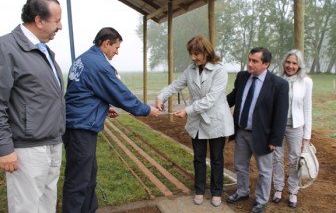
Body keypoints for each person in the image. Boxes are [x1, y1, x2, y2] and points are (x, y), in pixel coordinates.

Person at [62, 27, 160, 213]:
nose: (117, 52)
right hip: (80, 128)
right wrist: (147, 110)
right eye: (116, 47)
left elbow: (84, 93)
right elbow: (120, 93)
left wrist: (104, 108)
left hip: (79, 124)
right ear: (106, 43)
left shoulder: (84, 59)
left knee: (89, 175)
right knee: (78, 180)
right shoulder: (99, 65)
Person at [0, 0, 64, 213]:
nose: (61, 26)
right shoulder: (6, 48)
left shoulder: (44, 50)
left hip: (52, 143)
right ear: (39, 20)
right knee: (26, 208)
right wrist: (4, 148)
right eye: (56, 21)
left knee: (47, 204)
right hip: (27, 148)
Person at [155, 35, 234, 207]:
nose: (193, 57)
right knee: (198, 157)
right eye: (191, 53)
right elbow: (176, 85)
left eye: (196, 54)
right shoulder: (190, 69)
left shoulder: (220, 70)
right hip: (197, 120)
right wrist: (161, 97)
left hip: (215, 119)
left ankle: (216, 192)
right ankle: (199, 189)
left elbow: (211, 99)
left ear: (206, 52)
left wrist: (187, 110)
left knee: (216, 158)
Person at [226, 47, 289, 213]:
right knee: (240, 165)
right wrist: (215, 106)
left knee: (265, 171)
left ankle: (261, 200)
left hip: (263, 136)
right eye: (249, 59)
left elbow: (281, 115)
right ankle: (242, 191)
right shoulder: (242, 77)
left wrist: (275, 140)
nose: (249, 64)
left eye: (255, 61)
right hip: (241, 132)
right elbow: (232, 98)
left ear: (266, 64)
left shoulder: (279, 84)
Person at [272, 49, 313, 208]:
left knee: (295, 159)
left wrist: (307, 135)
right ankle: (278, 188)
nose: (290, 66)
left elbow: (307, 109)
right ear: (284, 63)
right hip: (277, 125)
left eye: (294, 63)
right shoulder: (277, 79)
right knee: (277, 157)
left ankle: (293, 191)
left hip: (296, 126)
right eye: (288, 62)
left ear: (299, 65)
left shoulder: (306, 82)